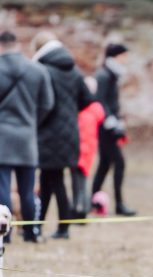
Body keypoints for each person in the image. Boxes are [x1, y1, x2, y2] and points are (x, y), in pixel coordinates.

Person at [32, 31, 93, 240]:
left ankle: (62, 228)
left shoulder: (43, 70)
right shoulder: (74, 71)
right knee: (49, 180)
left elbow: (42, 104)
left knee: (54, 181)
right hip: (69, 134)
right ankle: (38, 226)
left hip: (48, 134)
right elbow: (88, 100)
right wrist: (69, 111)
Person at [0, 30, 54, 243]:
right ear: (18, 44)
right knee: (27, 189)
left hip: (1, 136)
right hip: (26, 136)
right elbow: (47, 104)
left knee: (2, 189)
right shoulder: (37, 70)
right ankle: (32, 233)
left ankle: (5, 235)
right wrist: (32, 123)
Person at [92, 43, 136, 216]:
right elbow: (100, 100)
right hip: (106, 129)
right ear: (116, 57)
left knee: (104, 164)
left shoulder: (112, 75)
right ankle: (119, 204)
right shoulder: (104, 75)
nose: (126, 60)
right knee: (119, 163)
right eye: (124, 56)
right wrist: (111, 122)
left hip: (110, 127)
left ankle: (92, 200)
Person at [72, 76, 105, 219]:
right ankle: (82, 207)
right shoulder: (96, 108)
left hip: (80, 149)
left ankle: (79, 209)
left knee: (78, 181)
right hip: (89, 149)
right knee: (83, 179)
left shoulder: (83, 109)